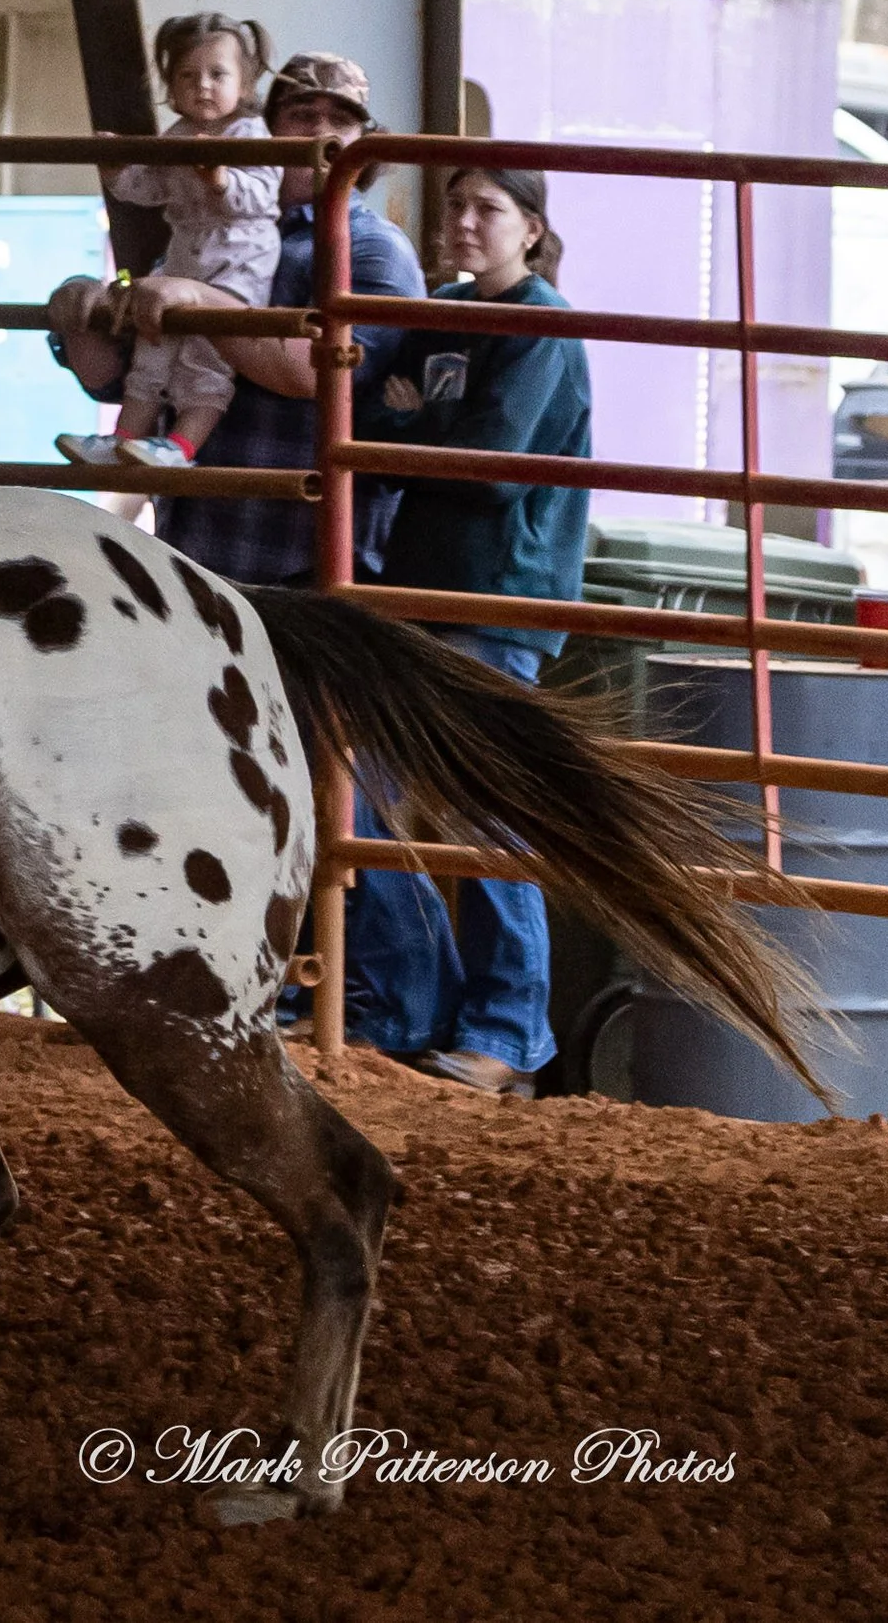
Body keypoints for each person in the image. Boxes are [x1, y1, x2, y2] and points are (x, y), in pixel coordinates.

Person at [349, 165, 593, 1099]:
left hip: (497, 593)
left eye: (487, 209)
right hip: (422, 589)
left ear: (531, 230)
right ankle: (412, 1004)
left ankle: (507, 1030)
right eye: (455, 206)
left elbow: (491, 465)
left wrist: (425, 419)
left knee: (486, 811)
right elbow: (372, 416)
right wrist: (424, 426)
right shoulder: (447, 312)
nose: (462, 222)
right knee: (364, 794)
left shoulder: (541, 325)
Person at [46, 50, 423, 587]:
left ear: (364, 143)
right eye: (300, 115)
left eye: (341, 119)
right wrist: (82, 310)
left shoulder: (374, 249)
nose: (320, 132)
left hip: (311, 554)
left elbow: (316, 374)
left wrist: (197, 299)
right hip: (199, 543)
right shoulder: (205, 234)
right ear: (265, 131)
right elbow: (112, 376)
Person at [67, 14, 281, 470]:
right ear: (171, 84)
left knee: (207, 356)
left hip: (237, 261)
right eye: (188, 75)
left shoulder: (250, 135)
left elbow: (263, 195)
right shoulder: (178, 135)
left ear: (243, 85)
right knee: (153, 345)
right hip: (187, 254)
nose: (203, 85)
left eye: (217, 74)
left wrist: (221, 179)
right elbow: (152, 188)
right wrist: (116, 170)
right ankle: (123, 439)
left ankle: (181, 448)